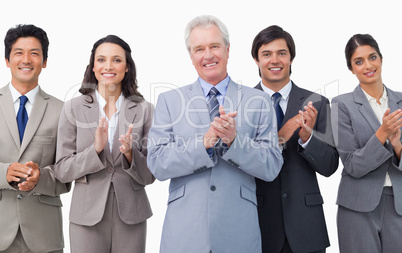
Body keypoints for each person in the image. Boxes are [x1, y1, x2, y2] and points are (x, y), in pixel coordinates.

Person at [147, 15, 283, 253]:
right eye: (199, 49)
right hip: (185, 233)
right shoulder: (169, 101)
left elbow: (271, 165)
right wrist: (205, 142)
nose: (207, 55)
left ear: (228, 50)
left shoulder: (258, 100)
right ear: (191, 56)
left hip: (238, 231)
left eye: (214, 46)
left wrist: (234, 142)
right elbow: (158, 164)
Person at [54, 35, 154, 253]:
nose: (108, 66)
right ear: (93, 66)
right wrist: (95, 150)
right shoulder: (73, 108)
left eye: (116, 60)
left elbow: (150, 175)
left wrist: (129, 154)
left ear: (127, 67)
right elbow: (61, 170)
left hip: (131, 215)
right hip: (86, 216)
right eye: (101, 60)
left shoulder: (145, 109)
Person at [252, 25, 339, 253]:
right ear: (256, 59)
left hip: (306, 226)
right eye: (267, 54)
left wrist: (307, 138)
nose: (275, 60)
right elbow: (241, 162)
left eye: (282, 53)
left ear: (291, 57)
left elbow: (330, 166)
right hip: (259, 224)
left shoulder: (317, 102)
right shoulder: (243, 104)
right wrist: (279, 138)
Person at [0, 24, 70, 252]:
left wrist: (41, 179)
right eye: (19, 53)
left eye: (35, 53)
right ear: (7, 60)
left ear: (45, 61)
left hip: (44, 235)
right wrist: (4, 173)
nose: (26, 60)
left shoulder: (63, 111)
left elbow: (67, 174)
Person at [331, 34, 402, 253]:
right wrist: (383, 133)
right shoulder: (341, 105)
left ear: (381, 58)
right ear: (351, 68)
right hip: (357, 206)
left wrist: (397, 146)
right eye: (358, 61)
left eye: (372, 57)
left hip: (398, 204)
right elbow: (352, 164)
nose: (368, 65)